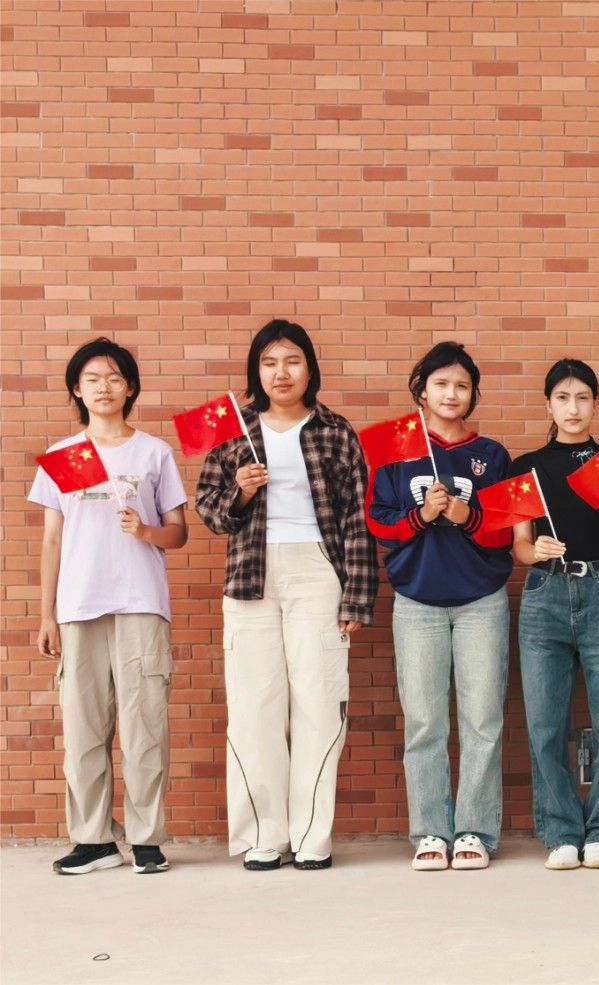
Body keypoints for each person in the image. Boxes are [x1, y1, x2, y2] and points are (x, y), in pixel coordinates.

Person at [196, 319, 377, 871]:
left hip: (317, 572)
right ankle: (264, 836)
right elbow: (208, 509)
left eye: (292, 361)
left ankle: (312, 836)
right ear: (256, 370)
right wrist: (240, 493)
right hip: (250, 576)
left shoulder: (335, 429)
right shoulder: (233, 429)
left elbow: (357, 518)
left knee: (319, 703)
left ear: (309, 368)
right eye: (269, 362)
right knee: (255, 707)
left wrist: (356, 597)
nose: (281, 372)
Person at [31, 338, 188, 875]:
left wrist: (145, 531)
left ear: (130, 388)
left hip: (140, 603)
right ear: (77, 389)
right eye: (93, 378)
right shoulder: (66, 455)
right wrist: (47, 614)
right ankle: (94, 840)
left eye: (115, 377)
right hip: (79, 605)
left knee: (145, 728)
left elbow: (178, 533)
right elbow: (52, 539)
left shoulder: (152, 452)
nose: (104, 386)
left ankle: (145, 839)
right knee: (83, 730)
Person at [367, 342, 512, 871]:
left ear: (473, 394)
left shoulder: (491, 455)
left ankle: (475, 830)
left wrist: (466, 515)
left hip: (481, 602)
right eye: (441, 384)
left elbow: (504, 534)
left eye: (462, 386)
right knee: (425, 722)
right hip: (417, 602)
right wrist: (421, 515)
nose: (452, 394)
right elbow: (377, 522)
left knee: (482, 720)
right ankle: (430, 830)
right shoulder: (394, 450)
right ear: (421, 390)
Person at [511, 359, 599, 871]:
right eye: (563, 398)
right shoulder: (525, 467)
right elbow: (519, 548)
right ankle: (561, 832)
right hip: (544, 593)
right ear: (548, 405)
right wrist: (536, 550)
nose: (573, 408)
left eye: (583, 397)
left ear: (595, 404)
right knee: (546, 725)